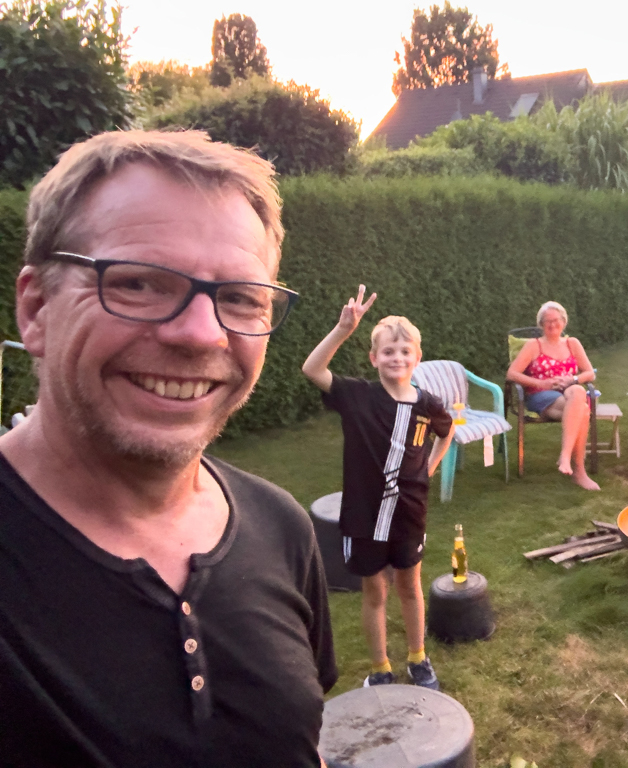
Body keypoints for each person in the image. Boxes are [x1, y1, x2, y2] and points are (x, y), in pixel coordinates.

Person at [0, 131, 337, 767]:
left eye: (240, 298)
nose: (201, 334)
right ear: (37, 308)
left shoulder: (281, 528)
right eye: (139, 283)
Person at [302, 293, 453, 690]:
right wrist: (343, 330)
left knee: (410, 586)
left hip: (410, 514)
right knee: (374, 591)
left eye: (405, 351)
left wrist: (429, 469)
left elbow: (447, 430)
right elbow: (312, 368)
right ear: (374, 358)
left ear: (416, 358)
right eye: (388, 351)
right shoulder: (356, 396)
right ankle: (380, 668)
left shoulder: (427, 404)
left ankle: (418, 659)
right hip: (364, 516)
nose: (397, 358)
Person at [506, 301, 599, 491]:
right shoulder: (534, 346)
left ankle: (566, 457)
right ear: (541, 324)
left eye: (556, 320)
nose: (552, 324)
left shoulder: (573, 343)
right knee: (581, 409)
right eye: (546, 321)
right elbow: (512, 373)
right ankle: (579, 471)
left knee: (578, 395)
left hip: (568, 395)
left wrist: (571, 379)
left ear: (564, 322)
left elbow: (590, 373)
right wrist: (541, 383)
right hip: (541, 396)